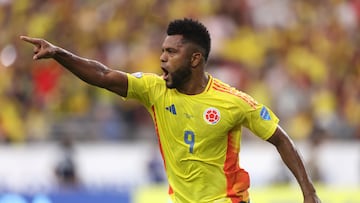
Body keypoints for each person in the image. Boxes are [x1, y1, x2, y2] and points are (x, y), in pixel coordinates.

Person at [20, 18, 321, 203]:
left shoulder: (233, 102)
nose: (162, 57)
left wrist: (308, 192)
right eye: (163, 50)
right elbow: (102, 75)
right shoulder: (154, 89)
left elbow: (280, 138)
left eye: (171, 52)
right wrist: (58, 53)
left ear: (195, 59)